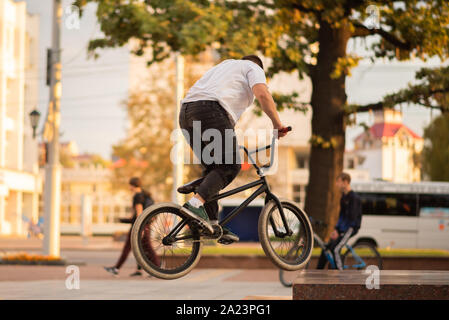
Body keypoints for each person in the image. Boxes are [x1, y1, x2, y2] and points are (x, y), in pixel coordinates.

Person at [178, 55, 290, 243]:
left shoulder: (224, 66)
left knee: (214, 170)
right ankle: (195, 203)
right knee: (230, 166)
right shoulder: (252, 67)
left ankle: (212, 223)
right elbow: (263, 94)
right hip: (210, 110)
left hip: (186, 114)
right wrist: (278, 125)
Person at [104, 177, 160, 276]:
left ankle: (116, 269)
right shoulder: (144, 194)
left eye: (129, 185)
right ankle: (141, 270)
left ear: (132, 185)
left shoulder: (138, 196)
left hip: (139, 226)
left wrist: (139, 228)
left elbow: (139, 214)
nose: (129, 187)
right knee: (139, 248)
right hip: (144, 225)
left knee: (134, 248)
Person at [317, 172, 362, 270]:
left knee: (336, 250)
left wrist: (341, 231)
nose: (336, 184)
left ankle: (340, 276)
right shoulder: (343, 198)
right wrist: (336, 229)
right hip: (343, 228)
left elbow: (352, 219)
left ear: (345, 182)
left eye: (338, 181)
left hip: (351, 228)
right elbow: (342, 216)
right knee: (327, 248)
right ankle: (317, 272)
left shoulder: (354, 198)